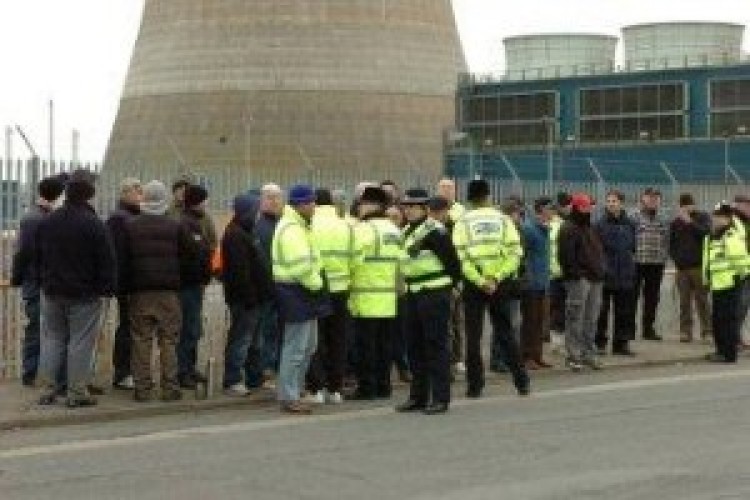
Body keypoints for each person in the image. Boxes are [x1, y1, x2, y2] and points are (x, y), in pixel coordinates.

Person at [36, 169, 117, 407]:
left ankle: (48, 389)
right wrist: (107, 287)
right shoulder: (94, 224)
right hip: (84, 293)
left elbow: (40, 255)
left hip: (52, 290)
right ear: (88, 197)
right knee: (80, 342)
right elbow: (106, 260)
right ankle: (76, 392)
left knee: (53, 339)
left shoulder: (49, 221)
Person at [452, 179, 530, 398]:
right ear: (488, 197)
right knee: (506, 332)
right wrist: (496, 277)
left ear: (469, 199)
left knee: (473, 336)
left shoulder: (463, 222)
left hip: (474, 285)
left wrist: (479, 280)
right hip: (500, 284)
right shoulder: (504, 220)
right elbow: (515, 254)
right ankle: (521, 381)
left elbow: (461, 258)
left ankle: (474, 386)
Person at [121, 181, 191, 402]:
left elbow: (122, 260)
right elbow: (190, 256)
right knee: (169, 340)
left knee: (141, 340)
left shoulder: (130, 226)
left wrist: (125, 286)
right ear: (163, 200)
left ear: (144, 199)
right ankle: (170, 388)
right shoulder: (176, 226)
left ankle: (142, 389)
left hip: (140, 292)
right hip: (168, 292)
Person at [397, 190, 461, 415]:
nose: (408, 210)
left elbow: (453, 264)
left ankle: (440, 398)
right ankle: (419, 396)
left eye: (413, 206)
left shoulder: (436, 231)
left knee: (435, 345)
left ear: (425, 209)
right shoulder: (405, 232)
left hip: (434, 292)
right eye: (406, 206)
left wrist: (448, 288)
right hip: (413, 293)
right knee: (414, 347)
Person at [272, 185, 329, 414]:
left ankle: (295, 389)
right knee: (296, 347)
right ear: (300, 204)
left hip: (300, 291)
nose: (314, 206)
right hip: (296, 291)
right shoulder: (292, 229)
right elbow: (301, 266)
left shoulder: (298, 225)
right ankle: (289, 395)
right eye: (310, 203)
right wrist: (317, 284)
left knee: (307, 346)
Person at [348, 186, 403, 400]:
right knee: (384, 346)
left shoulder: (364, 229)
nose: (360, 208)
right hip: (388, 298)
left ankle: (367, 388)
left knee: (366, 346)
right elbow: (401, 264)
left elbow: (354, 260)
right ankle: (384, 386)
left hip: (366, 297)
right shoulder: (393, 230)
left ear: (371, 205)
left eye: (362, 204)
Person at [10, 175, 66, 386]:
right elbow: (24, 252)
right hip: (38, 281)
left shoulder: (37, 217)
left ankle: (36, 372)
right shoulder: (36, 219)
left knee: (42, 328)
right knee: (37, 328)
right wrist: (19, 277)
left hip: (39, 280)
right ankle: (32, 372)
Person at [221, 194, 272, 396]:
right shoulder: (235, 235)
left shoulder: (247, 231)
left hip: (256, 298)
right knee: (241, 339)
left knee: (255, 341)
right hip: (245, 300)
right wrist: (250, 296)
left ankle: (254, 378)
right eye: (255, 210)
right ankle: (232, 379)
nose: (257, 214)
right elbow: (239, 272)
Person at [307, 188, 354, 404]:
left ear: (314, 203)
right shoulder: (345, 225)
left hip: (317, 289)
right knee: (339, 340)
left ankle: (316, 389)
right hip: (342, 288)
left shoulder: (310, 226)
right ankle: (335, 389)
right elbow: (356, 257)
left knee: (317, 341)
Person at [558, 193, 605, 371]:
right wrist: (577, 274)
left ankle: (588, 353)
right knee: (575, 317)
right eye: (585, 206)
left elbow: (596, 251)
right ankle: (573, 355)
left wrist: (600, 270)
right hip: (579, 279)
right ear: (577, 207)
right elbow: (565, 256)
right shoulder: (569, 228)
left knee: (591, 319)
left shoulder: (588, 227)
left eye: (590, 206)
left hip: (594, 278)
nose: (589, 209)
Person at [105, 177, 143, 390]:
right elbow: (119, 255)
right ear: (125, 194)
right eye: (136, 191)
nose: (141, 195)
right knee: (127, 327)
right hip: (127, 283)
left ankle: (128, 369)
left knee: (133, 327)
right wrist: (123, 283)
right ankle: (122, 372)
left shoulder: (130, 216)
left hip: (133, 281)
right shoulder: (120, 219)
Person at [176, 184, 213, 389]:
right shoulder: (186, 225)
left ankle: (190, 367)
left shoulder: (194, 223)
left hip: (194, 285)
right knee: (188, 329)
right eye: (204, 200)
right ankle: (183, 371)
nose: (206, 204)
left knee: (194, 328)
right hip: (188, 285)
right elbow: (193, 256)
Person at [594, 190, 638, 356]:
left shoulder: (630, 224)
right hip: (606, 274)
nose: (611, 204)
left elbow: (633, 247)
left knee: (624, 312)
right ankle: (600, 343)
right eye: (609, 201)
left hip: (625, 273)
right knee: (602, 311)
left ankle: (621, 344)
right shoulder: (599, 224)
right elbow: (597, 249)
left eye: (614, 201)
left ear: (621, 203)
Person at [704, 202, 747, 363]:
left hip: (730, 284)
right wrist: (706, 278)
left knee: (727, 320)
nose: (716, 219)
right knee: (718, 320)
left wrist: (738, 278)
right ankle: (721, 351)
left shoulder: (730, 236)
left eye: (720, 216)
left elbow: (741, 261)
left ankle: (728, 354)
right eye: (715, 216)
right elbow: (709, 260)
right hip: (717, 284)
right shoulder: (714, 236)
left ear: (728, 218)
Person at [252, 183, 284, 388]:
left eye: (277, 197)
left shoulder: (280, 224)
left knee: (275, 331)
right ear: (261, 200)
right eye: (269, 197)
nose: (273, 201)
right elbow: (262, 261)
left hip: (280, 288)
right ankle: (266, 371)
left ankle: (273, 368)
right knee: (266, 331)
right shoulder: (260, 226)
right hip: (267, 289)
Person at [429, 195, 465, 375]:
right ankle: (447, 365)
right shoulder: (432, 229)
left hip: (450, 284)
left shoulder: (453, 228)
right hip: (439, 285)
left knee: (454, 325)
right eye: (433, 212)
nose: (436, 216)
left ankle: (454, 360)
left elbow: (456, 257)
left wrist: (457, 283)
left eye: (439, 212)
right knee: (445, 327)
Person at [669, 193, 712, 343]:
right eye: (683, 205)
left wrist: (690, 222)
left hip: (698, 267)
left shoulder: (703, 217)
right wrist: (676, 259)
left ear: (694, 205)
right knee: (684, 302)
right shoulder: (675, 223)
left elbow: (706, 234)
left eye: (689, 204)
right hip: (682, 268)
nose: (686, 208)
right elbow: (672, 244)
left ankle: (707, 332)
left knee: (702, 300)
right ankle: (685, 332)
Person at [520, 197, 554, 370]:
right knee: (530, 321)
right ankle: (526, 356)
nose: (552, 212)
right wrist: (527, 277)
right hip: (531, 283)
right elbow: (522, 255)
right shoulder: (528, 228)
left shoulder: (545, 228)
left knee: (540, 321)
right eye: (549, 208)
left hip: (543, 281)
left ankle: (537, 355)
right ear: (540, 210)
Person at [632, 187, 669, 341]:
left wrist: (664, 258)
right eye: (649, 197)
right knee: (631, 297)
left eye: (656, 197)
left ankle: (648, 329)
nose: (653, 200)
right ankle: (629, 329)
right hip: (637, 263)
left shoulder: (664, 218)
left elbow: (667, 240)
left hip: (656, 264)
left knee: (652, 298)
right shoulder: (633, 216)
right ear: (643, 199)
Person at [549, 192, 572, 355]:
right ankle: (558, 342)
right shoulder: (560, 225)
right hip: (559, 272)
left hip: (558, 271)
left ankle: (558, 341)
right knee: (560, 308)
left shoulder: (560, 223)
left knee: (559, 307)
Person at [731, 195, 750, 348]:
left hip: (747, 268)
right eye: (746, 205)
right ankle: (733, 336)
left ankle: (737, 336)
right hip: (737, 270)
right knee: (739, 304)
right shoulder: (733, 222)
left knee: (744, 305)